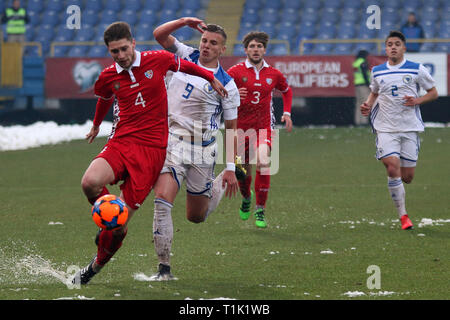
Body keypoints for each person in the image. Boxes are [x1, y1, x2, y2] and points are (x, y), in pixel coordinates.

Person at [72, 21, 228, 285]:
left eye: (123, 49)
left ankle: (93, 268)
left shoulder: (157, 60)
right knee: (89, 183)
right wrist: (98, 123)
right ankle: (109, 214)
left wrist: (210, 77)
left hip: (153, 151)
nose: (120, 56)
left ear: (133, 43)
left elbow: (186, 66)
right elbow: (106, 97)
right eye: (114, 52)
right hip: (122, 142)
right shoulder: (109, 75)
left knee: (120, 226)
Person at [149, 17, 242, 280]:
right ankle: (164, 268)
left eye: (214, 43)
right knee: (162, 201)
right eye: (204, 40)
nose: (206, 46)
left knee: (195, 217)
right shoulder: (185, 55)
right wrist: (185, 21)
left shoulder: (227, 83)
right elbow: (159, 34)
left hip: (203, 149)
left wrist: (232, 168)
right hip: (173, 143)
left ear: (223, 49)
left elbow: (233, 127)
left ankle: (220, 182)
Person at [360, 30, 438, 230]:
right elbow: (374, 92)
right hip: (385, 127)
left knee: (407, 177)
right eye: (389, 44)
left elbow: (433, 92)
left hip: (410, 128)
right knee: (392, 166)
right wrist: (368, 104)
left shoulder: (416, 69)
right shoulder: (377, 71)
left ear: (404, 47)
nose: (393, 47)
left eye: (396, 44)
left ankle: (401, 192)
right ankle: (403, 216)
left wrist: (418, 100)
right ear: (385, 48)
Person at [227, 31, 293, 228]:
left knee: (263, 160)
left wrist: (287, 113)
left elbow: (287, 91)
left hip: (263, 126)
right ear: (246, 49)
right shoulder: (235, 72)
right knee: (242, 171)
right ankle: (247, 198)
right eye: (252, 47)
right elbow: (221, 92)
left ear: (264, 49)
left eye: (259, 46)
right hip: (240, 129)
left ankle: (260, 210)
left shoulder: (274, 74)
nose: (256, 50)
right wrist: (234, 93)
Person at [353, 50, 371, 126]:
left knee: (358, 104)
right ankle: (364, 121)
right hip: (363, 85)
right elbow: (365, 74)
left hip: (357, 84)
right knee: (365, 103)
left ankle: (358, 121)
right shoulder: (363, 62)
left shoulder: (356, 62)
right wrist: (368, 84)